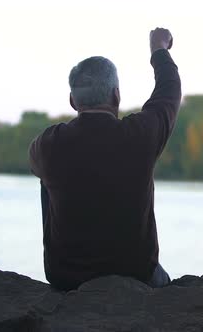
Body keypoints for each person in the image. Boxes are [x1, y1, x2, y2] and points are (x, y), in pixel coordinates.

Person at [29, 28, 181, 291]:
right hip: (135, 274)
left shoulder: (49, 143)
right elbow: (169, 91)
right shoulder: (140, 135)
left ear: (73, 101)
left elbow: (38, 167)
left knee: (46, 177)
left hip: (66, 278)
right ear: (116, 96)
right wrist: (159, 50)